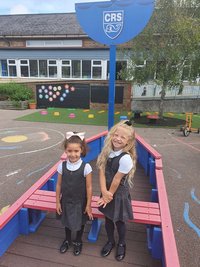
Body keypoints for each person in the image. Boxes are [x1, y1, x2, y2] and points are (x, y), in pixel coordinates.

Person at [96, 120, 136, 261]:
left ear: (128, 142)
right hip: (106, 190)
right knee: (108, 218)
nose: (118, 139)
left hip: (118, 194)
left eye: (123, 137)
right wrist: (103, 191)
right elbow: (101, 172)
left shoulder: (125, 158)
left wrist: (109, 195)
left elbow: (117, 179)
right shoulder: (107, 152)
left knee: (119, 221)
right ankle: (110, 241)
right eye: (116, 135)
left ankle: (121, 243)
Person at [56, 131, 93, 256]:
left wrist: (88, 205)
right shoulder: (62, 166)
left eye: (76, 151)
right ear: (65, 151)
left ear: (81, 150)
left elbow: (89, 187)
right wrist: (57, 202)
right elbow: (59, 185)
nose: (73, 154)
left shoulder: (86, 167)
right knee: (67, 221)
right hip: (66, 200)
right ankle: (67, 240)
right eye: (69, 151)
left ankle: (78, 241)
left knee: (80, 221)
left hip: (80, 201)